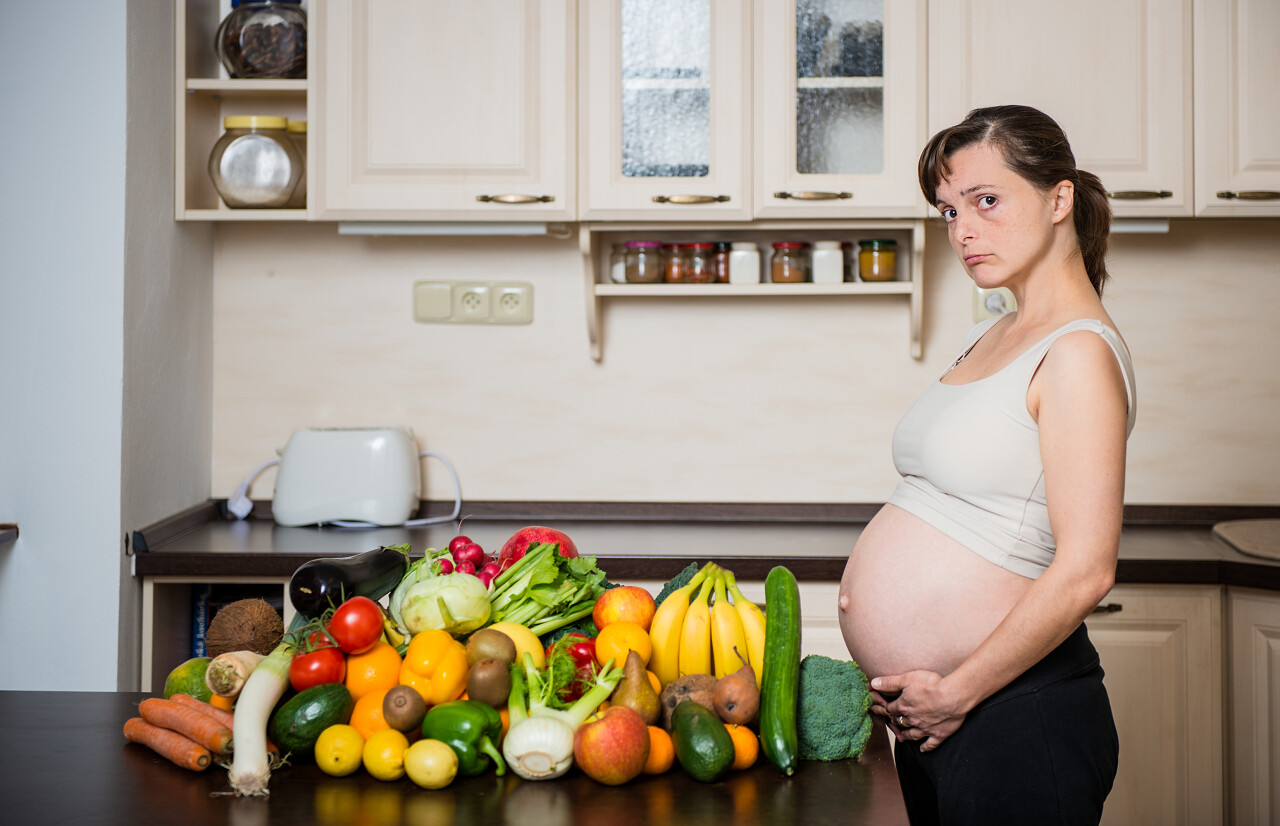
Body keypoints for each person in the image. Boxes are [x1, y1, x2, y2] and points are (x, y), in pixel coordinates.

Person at [837, 105, 1135, 825]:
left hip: (1014, 716)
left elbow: (1088, 568)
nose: (962, 231)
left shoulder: (1077, 353)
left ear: (1059, 198)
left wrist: (959, 689)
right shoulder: (993, 332)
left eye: (986, 200)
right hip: (945, 712)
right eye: (948, 211)